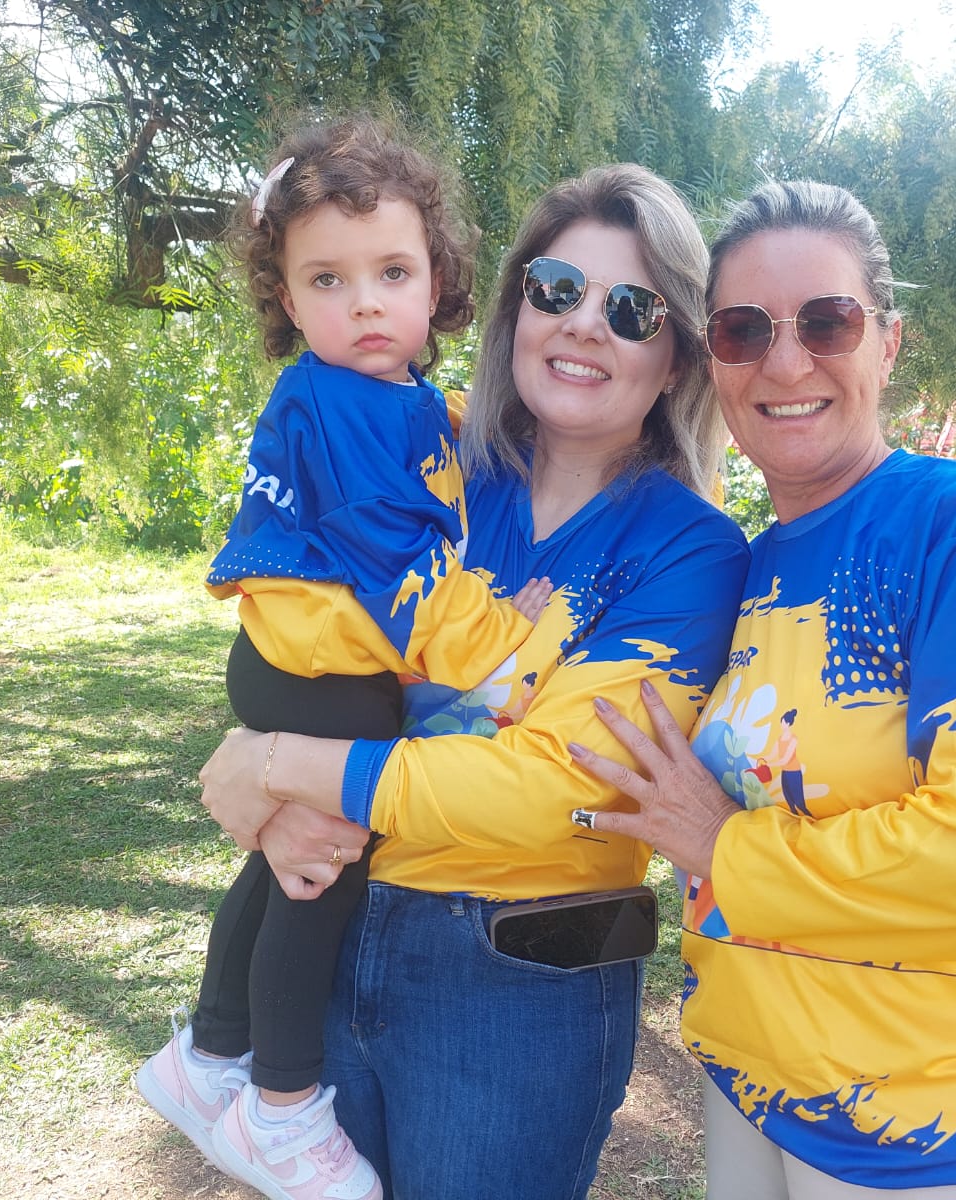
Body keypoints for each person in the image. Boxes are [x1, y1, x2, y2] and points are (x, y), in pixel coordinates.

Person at [195, 162, 751, 1200]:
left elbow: (559, 790)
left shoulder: (693, 552)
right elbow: (305, 631)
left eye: (631, 309)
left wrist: (277, 768)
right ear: (514, 308)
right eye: (557, 289)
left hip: (515, 990)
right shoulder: (427, 456)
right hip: (334, 932)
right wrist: (273, 785)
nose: (583, 324)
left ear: (675, 350)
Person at [570, 180, 956, 1198]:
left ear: (888, 343)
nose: (784, 363)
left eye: (826, 322)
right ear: (713, 360)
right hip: (756, 1090)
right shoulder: (750, 566)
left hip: (948, 1129)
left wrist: (723, 847)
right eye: (743, 330)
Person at [136, 114, 555, 1200]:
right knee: (320, 867)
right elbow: (398, 568)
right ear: (285, 298)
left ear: (437, 282)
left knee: (282, 859)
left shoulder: (392, 401)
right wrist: (505, 650)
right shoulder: (338, 404)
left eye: (391, 272)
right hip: (320, 668)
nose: (364, 302)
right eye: (327, 280)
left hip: (298, 660)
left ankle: (208, 1052)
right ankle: (280, 1105)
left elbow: (433, 466)